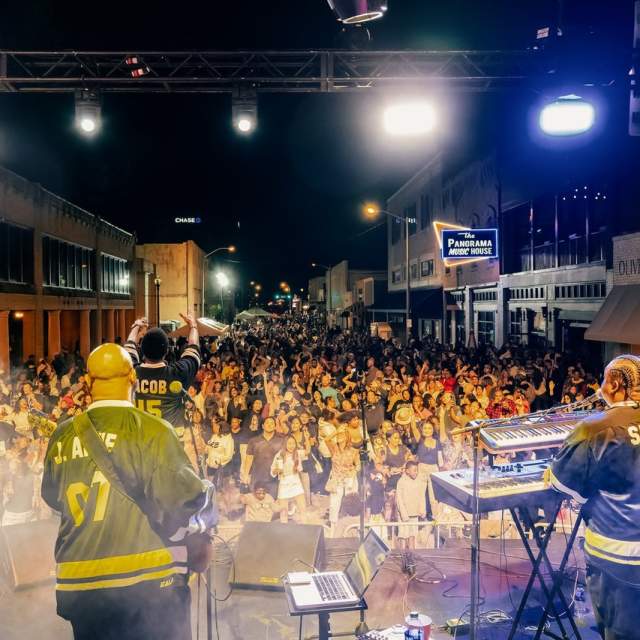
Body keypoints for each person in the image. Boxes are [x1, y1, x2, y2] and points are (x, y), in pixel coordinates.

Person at [41, 343, 217, 640]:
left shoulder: (62, 434)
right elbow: (187, 501)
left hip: (79, 587)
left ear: (87, 381)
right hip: (143, 584)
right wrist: (208, 498)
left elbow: (51, 496)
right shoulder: (152, 430)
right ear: (133, 379)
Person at [550, 355, 640, 640]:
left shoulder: (594, 427)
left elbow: (564, 485)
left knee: (619, 632)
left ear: (614, 384)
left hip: (616, 553)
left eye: (603, 379)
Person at [125, 314, 201, 427]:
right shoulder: (178, 373)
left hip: (139, 441)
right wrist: (193, 326)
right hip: (168, 442)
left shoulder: (132, 372)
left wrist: (137, 326)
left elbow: (129, 347)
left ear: (143, 352)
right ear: (166, 352)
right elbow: (193, 348)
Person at [270, 435, 307, 523]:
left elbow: (300, 468)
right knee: (284, 511)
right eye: (289, 443)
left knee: (303, 509)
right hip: (284, 483)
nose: (291, 446)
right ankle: (284, 530)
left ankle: (305, 528)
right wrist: (277, 470)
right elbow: (272, 471)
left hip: (296, 483)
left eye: (293, 443)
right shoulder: (279, 455)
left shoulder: (297, 453)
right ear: (285, 444)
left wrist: (297, 465)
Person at [395, 461, 427, 550]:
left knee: (412, 537)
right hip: (404, 515)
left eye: (417, 470)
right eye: (414, 470)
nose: (416, 472)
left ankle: (411, 559)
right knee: (403, 538)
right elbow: (399, 500)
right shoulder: (401, 481)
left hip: (414, 514)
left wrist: (422, 510)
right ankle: (403, 559)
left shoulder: (419, 481)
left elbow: (421, 496)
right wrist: (404, 514)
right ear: (407, 471)